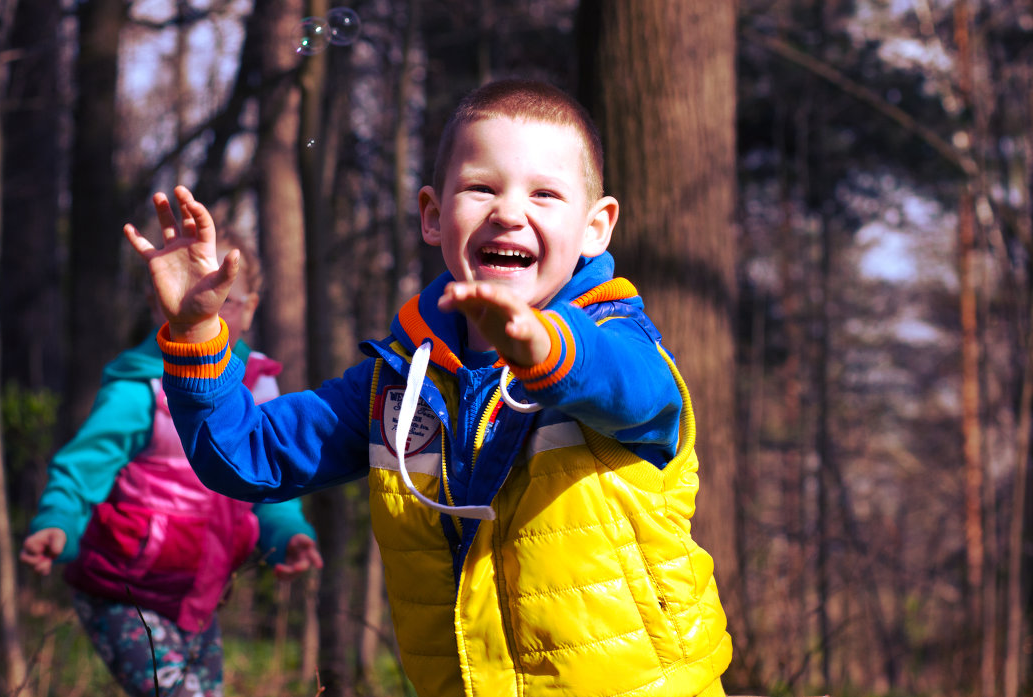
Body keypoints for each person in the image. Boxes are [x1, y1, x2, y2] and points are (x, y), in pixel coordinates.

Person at [124, 78, 731, 697]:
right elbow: (246, 456)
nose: (510, 211)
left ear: (596, 228)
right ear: (434, 216)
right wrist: (197, 332)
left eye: (545, 193)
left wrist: (544, 346)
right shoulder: (394, 386)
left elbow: (629, 389)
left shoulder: (625, 346)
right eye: (481, 187)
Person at [19, 234, 323, 697]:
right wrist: (58, 519)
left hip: (195, 597)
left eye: (226, 300)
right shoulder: (141, 387)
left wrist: (287, 534)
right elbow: (84, 467)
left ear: (252, 307)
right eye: (190, 297)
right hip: (122, 592)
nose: (207, 314)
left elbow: (267, 480)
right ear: (157, 299)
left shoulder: (259, 386)